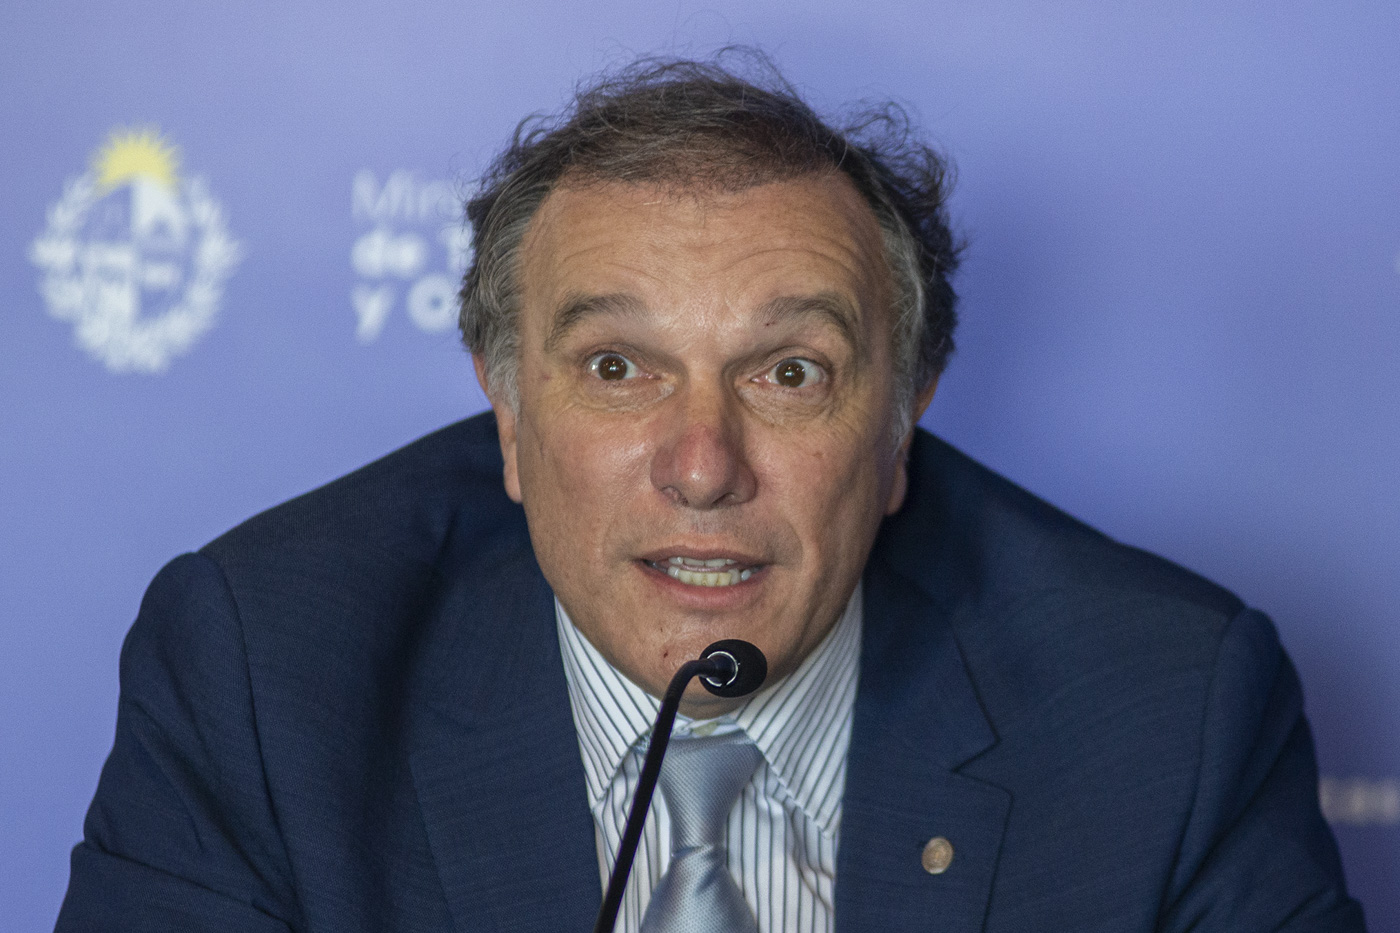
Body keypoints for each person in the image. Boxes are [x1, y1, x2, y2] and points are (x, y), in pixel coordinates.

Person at [57, 54, 1365, 932]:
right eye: (617, 368)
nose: (701, 464)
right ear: (507, 412)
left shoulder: (1165, 712)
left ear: (903, 416)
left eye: (789, 373)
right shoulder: (267, 673)